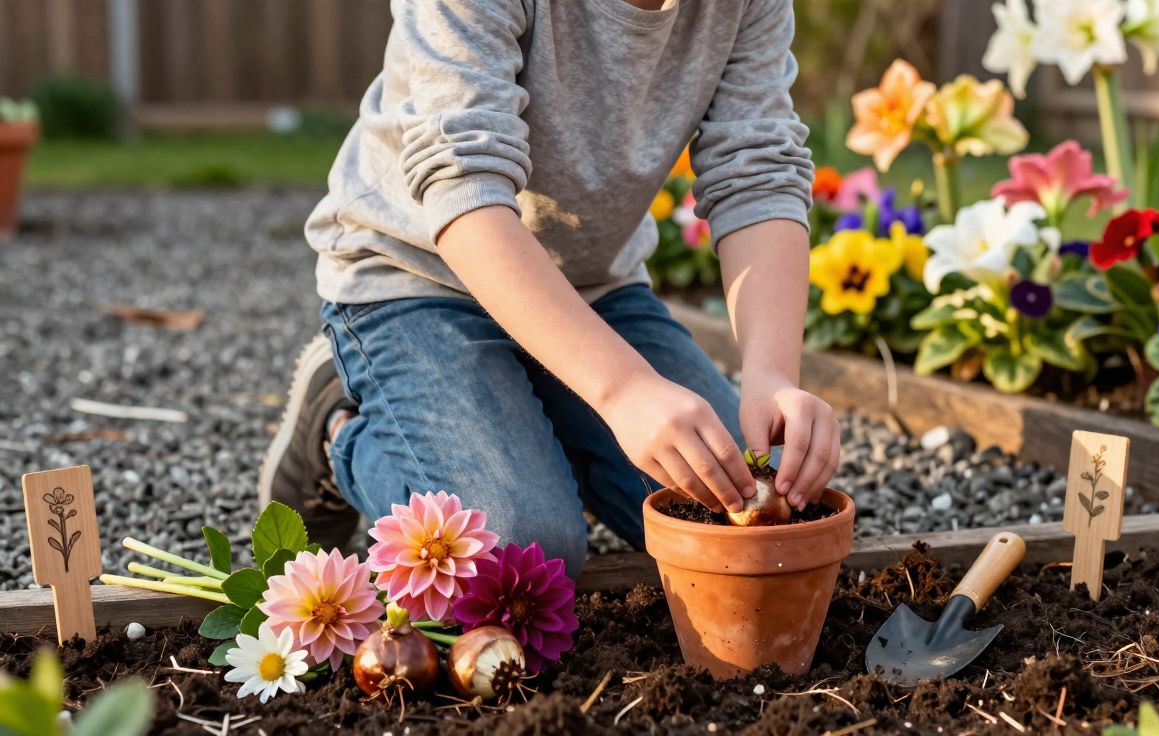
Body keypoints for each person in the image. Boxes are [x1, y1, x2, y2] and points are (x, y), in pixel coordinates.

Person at [259, 0, 840, 577]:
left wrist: (772, 376)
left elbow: (757, 172)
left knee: (748, 520)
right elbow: (465, 185)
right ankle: (336, 430)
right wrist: (623, 391)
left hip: (591, 291)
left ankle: (530, 418)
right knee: (515, 551)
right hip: (416, 279)